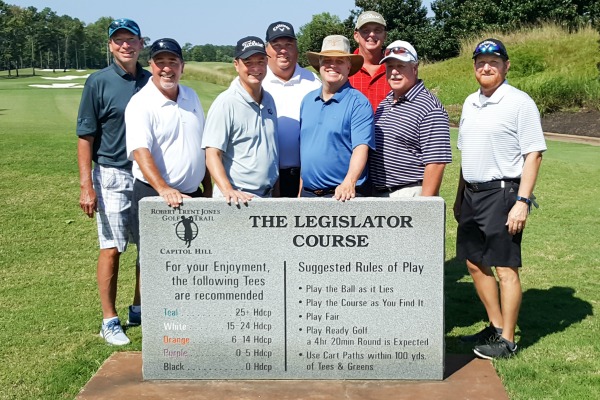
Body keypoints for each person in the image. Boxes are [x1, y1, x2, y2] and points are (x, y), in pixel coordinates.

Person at [454, 38, 546, 359]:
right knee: (473, 262)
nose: (486, 66)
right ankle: (495, 326)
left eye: (494, 61)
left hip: (504, 193)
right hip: (472, 194)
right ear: (475, 68)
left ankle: (508, 341)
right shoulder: (469, 102)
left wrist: (523, 201)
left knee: (505, 267)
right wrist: (458, 197)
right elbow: (466, 155)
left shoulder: (520, 103)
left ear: (506, 66)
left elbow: (533, 154)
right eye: (480, 62)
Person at [76, 18, 150, 346]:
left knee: (148, 247)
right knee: (112, 247)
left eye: (131, 40)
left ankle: (139, 308)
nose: (125, 45)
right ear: (110, 45)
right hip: (111, 173)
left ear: (140, 43)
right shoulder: (98, 82)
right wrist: (85, 186)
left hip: (146, 175)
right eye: (118, 40)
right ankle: (109, 319)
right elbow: (85, 137)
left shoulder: (151, 80)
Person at [125, 38, 212, 262]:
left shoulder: (190, 96)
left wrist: (209, 188)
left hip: (193, 195)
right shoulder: (140, 102)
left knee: (193, 264)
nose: (166, 68)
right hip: (155, 194)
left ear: (182, 67)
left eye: (173, 62)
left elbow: (203, 144)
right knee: (154, 264)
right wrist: (164, 189)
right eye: (160, 62)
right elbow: (140, 151)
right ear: (150, 66)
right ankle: (142, 300)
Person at [370, 40, 452, 197]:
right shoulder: (386, 102)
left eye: (400, 66)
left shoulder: (430, 107)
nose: (394, 72)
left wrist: (422, 208)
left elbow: (436, 163)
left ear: (414, 68)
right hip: (381, 193)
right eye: (390, 67)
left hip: (410, 192)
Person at [202, 36, 279, 205]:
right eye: (248, 63)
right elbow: (212, 153)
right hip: (237, 198)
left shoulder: (269, 100)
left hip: (268, 196)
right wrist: (227, 190)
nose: (256, 68)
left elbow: (271, 151)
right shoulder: (226, 102)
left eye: (260, 61)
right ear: (236, 65)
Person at [300, 35, 375, 201]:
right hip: (308, 194)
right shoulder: (307, 101)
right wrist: (300, 191)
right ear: (319, 64)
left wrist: (349, 181)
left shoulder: (359, 103)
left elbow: (361, 148)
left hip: (343, 195)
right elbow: (306, 150)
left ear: (349, 66)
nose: (332, 65)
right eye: (327, 60)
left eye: (339, 61)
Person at [262, 21, 321, 197]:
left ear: (296, 49)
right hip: (266, 178)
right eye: (276, 45)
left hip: (305, 176)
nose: (283, 51)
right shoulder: (257, 81)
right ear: (267, 50)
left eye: (288, 45)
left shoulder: (312, 82)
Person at [349, 11, 388, 112]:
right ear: (356, 36)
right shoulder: (345, 69)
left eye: (377, 30)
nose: (372, 34)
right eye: (365, 31)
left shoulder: (395, 70)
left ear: (385, 35)